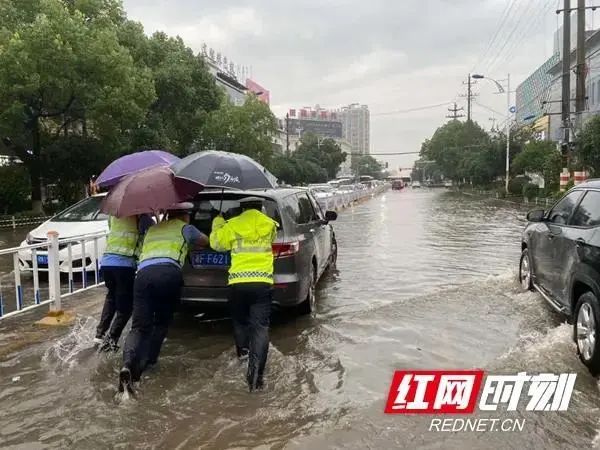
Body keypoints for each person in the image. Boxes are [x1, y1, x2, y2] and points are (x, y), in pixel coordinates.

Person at [119, 202, 208, 394]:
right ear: (184, 215)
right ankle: (149, 362)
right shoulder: (186, 229)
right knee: (160, 322)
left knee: (138, 327)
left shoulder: (153, 229)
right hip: (168, 274)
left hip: (142, 275)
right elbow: (207, 242)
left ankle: (127, 365)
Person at [209, 196, 279, 391]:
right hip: (263, 281)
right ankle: (256, 377)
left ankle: (243, 358)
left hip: (238, 282)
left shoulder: (232, 225)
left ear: (241, 208)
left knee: (240, 323)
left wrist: (217, 223)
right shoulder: (270, 224)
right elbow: (272, 239)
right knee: (260, 328)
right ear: (260, 208)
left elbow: (216, 244)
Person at [95, 214, 153, 351]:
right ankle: (111, 341)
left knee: (111, 297)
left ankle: (99, 334)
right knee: (125, 308)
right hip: (125, 264)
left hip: (107, 262)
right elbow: (151, 235)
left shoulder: (114, 215)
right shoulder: (143, 218)